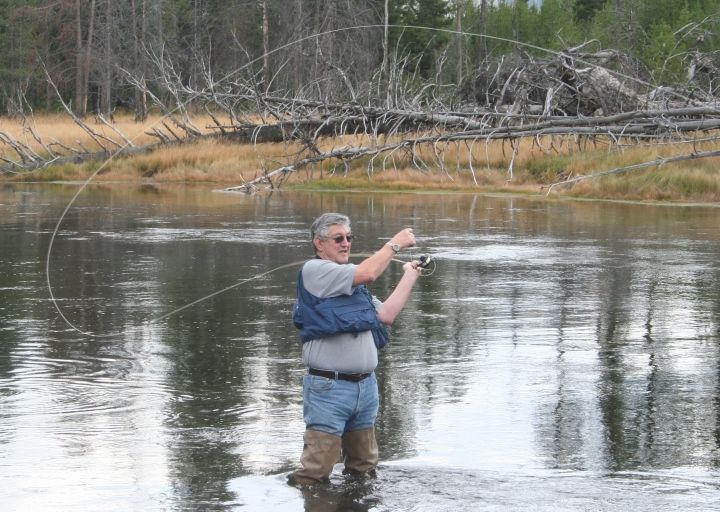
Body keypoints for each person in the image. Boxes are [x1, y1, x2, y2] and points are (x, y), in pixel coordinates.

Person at [289, 212, 422, 485]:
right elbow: (369, 272)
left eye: (349, 238)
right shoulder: (315, 271)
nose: (346, 243)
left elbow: (386, 315)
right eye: (338, 238)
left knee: (364, 471)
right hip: (329, 389)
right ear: (319, 243)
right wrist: (394, 244)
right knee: (314, 474)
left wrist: (411, 274)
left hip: (366, 389)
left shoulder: (353, 286)